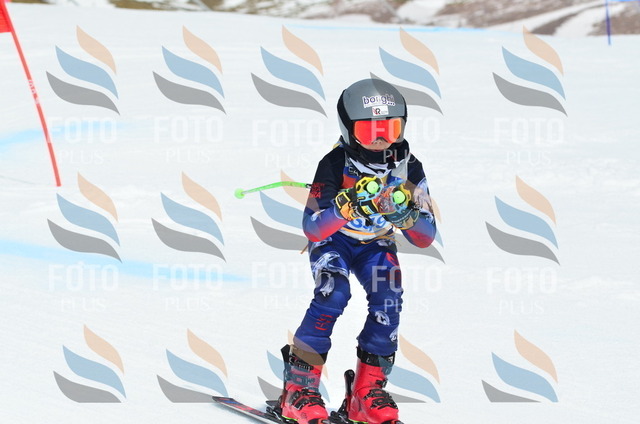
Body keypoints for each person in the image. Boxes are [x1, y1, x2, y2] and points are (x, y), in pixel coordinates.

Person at [278, 79, 437, 424]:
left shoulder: (409, 167)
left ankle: (366, 393)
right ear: (349, 130)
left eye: (390, 129)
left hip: (375, 242)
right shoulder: (335, 162)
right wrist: (345, 208)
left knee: (388, 297)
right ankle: (298, 389)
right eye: (369, 131)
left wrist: (405, 216)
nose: (380, 140)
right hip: (334, 240)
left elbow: (426, 236)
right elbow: (312, 227)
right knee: (333, 292)